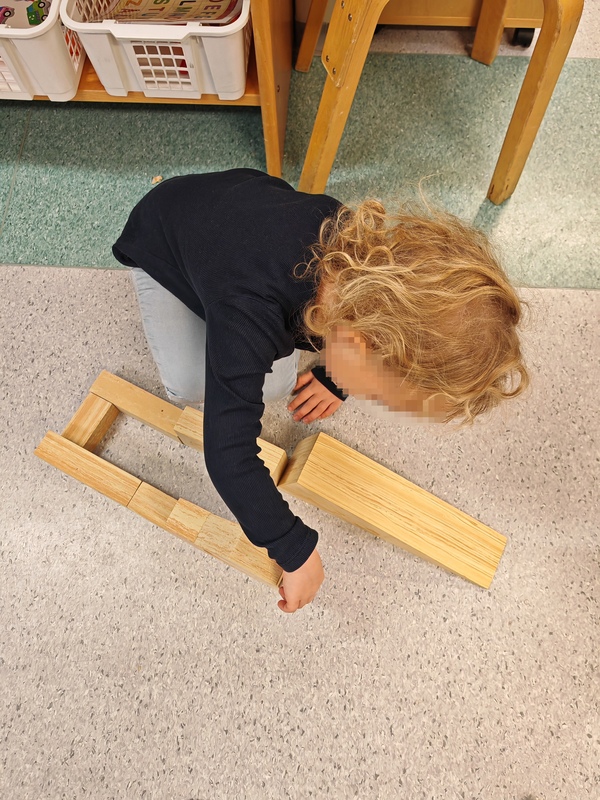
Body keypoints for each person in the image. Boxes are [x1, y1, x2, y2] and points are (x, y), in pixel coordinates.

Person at [112, 168, 529, 614]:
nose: (377, 402)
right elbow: (227, 452)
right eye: (381, 394)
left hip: (234, 213)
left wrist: (336, 378)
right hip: (159, 243)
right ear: (359, 345)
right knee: (191, 383)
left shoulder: (357, 251)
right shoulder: (248, 314)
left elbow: (355, 333)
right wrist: (292, 547)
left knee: (274, 371)